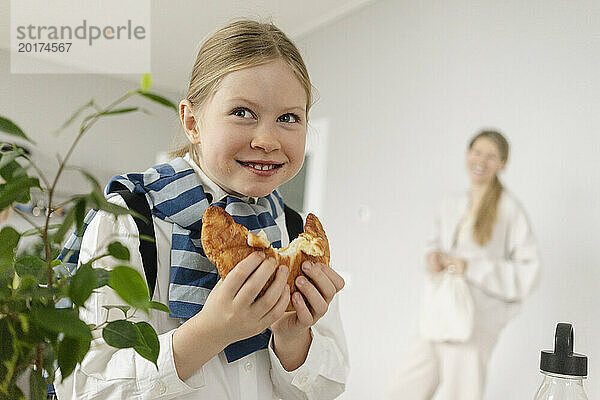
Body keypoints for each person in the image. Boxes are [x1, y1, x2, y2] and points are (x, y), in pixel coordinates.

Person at [55, 20, 349, 400]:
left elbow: (328, 386)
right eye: (242, 112)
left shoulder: (294, 232)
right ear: (192, 122)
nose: (267, 140)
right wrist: (211, 331)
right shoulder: (129, 219)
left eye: (289, 118)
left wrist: (293, 338)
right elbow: (81, 388)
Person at [387, 130, 541, 400]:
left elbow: (530, 272)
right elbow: (432, 244)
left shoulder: (509, 210)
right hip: (438, 315)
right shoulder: (451, 204)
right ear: (468, 154)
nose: (481, 160)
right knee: (403, 390)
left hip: (474, 325)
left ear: (503, 164)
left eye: (492, 156)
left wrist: (472, 268)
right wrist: (432, 257)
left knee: (461, 395)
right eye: (477, 152)